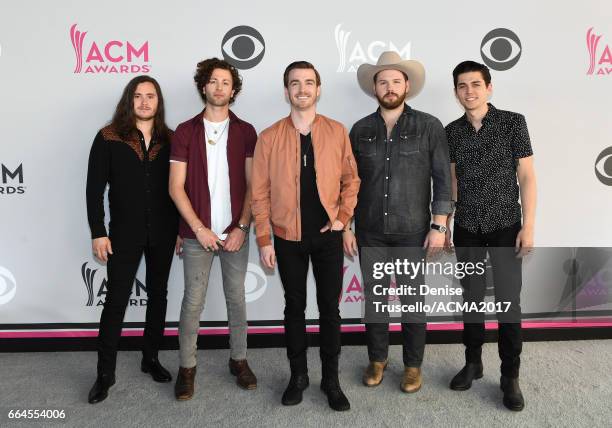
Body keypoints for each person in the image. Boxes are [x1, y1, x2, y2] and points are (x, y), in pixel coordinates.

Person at [251, 61, 360, 411]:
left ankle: (331, 380)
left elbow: (351, 180)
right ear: (286, 91)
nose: (302, 89)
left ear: (318, 89)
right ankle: (298, 377)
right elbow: (260, 193)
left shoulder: (336, 131)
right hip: (286, 238)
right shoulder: (269, 136)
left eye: (309, 82)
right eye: (295, 83)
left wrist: (343, 218)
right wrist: (264, 239)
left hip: (328, 237)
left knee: (330, 309)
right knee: (294, 308)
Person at [344, 51, 453, 393]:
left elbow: (443, 179)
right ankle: (377, 359)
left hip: (412, 231)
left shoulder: (429, 126)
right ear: (373, 88)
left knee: (412, 301)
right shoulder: (360, 130)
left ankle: (412, 365)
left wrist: (439, 226)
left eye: (395, 81)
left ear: (407, 85)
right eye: (382, 81)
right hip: (370, 232)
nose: (389, 87)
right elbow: (348, 183)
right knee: (375, 300)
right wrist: (347, 225)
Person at [445, 60, 537, 411]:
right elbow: (452, 181)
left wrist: (528, 226)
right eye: (462, 86)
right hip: (467, 227)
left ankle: (510, 375)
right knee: (471, 298)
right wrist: (447, 223)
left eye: (475, 84)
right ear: (456, 92)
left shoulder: (514, 123)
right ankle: (473, 363)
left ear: (489, 87)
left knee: (508, 303)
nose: (469, 91)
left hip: (505, 227)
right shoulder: (451, 131)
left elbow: (527, 176)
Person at [86, 75, 179, 404]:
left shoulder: (171, 138)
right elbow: (94, 189)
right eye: (137, 96)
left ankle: (150, 358)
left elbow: (180, 189)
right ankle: (104, 374)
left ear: (158, 101)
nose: (144, 102)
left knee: (159, 296)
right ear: (129, 100)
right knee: (115, 303)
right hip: (123, 233)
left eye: (150, 96)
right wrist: (98, 231)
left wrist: (181, 230)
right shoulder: (108, 137)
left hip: (165, 232)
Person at [169, 58, 257, 400]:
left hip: (236, 232)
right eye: (213, 81)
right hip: (196, 234)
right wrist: (199, 228)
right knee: (193, 301)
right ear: (203, 86)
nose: (219, 87)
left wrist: (242, 227)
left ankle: (239, 360)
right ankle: (187, 367)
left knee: (237, 298)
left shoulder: (246, 131)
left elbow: (253, 186)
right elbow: (176, 187)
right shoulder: (185, 131)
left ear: (232, 90)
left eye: (225, 82)